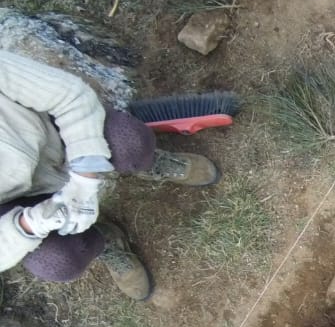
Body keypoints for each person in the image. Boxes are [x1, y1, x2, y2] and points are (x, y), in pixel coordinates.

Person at [1, 51, 218, 302]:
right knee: (58, 262)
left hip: (62, 138)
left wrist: (84, 176)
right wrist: (29, 225)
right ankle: (105, 240)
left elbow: (69, 96)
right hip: (19, 203)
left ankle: (148, 163)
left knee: (130, 143)